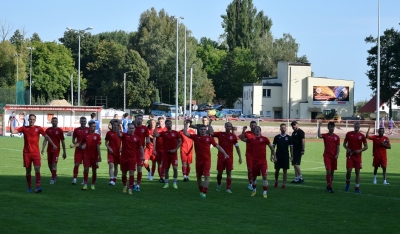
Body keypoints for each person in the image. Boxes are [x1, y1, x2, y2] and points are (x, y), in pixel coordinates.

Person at [9, 114, 57, 193]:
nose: (32, 120)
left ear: (35, 120)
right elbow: (13, 131)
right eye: (30, 119)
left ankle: (38, 187)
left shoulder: (38, 128)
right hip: (26, 153)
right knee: (28, 171)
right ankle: (29, 187)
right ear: (28, 120)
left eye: (33, 119)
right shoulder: (24, 128)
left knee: (37, 169)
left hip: (35, 153)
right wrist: (11, 122)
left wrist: (53, 144)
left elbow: (47, 137)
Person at [183, 120, 229, 199]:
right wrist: (185, 125)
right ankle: (201, 189)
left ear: (206, 130)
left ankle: (204, 192)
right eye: (201, 129)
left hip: (207, 160)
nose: (203, 131)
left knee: (207, 176)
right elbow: (185, 133)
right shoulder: (195, 137)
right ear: (199, 130)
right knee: (199, 176)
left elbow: (217, 146)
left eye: (204, 129)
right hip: (198, 160)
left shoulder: (209, 139)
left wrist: (225, 153)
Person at [241, 126, 275, 198]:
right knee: (253, 178)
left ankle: (264, 192)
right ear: (254, 132)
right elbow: (243, 139)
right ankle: (254, 190)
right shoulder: (251, 139)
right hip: (255, 162)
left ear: (260, 131)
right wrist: (243, 130)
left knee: (265, 177)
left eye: (258, 130)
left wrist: (274, 155)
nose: (257, 131)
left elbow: (271, 147)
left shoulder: (264, 139)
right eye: (255, 130)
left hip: (263, 162)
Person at [211, 121, 242, 193]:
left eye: (229, 126)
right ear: (225, 127)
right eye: (227, 126)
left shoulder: (233, 136)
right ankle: (219, 183)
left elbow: (237, 147)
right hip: (221, 157)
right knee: (219, 173)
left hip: (229, 157)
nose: (228, 127)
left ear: (231, 127)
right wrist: (209, 123)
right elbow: (211, 133)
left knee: (229, 172)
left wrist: (240, 157)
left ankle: (228, 188)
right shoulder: (220, 134)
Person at [153, 119, 182, 189]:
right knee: (166, 169)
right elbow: (155, 134)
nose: (168, 125)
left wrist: (175, 149)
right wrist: (156, 126)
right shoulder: (164, 133)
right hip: (166, 153)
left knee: (175, 168)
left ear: (171, 125)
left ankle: (175, 183)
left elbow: (180, 142)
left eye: (170, 124)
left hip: (174, 154)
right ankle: (166, 183)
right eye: (167, 124)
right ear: (165, 125)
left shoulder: (175, 133)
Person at [118, 123, 144, 195]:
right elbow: (119, 134)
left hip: (132, 158)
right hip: (123, 158)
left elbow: (141, 147)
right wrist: (118, 126)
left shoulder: (137, 138)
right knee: (124, 173)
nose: (131, 129)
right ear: (128, 128)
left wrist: (143, 155)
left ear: (134, 129)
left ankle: (130, 188)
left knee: (131, 173)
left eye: (133, 128)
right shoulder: (124, 135)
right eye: (130, 128)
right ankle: (125, 186)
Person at [343, 122, 368, 193]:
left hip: (358, 156)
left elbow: (366, 146)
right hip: (350, 155)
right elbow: (344, 144)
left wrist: (360, 150)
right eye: (355, 127)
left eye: (358, 127)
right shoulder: (348, 134)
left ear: (359, 127)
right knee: (349, 171)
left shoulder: (362, 136)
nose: (357, 128)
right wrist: (348, 149)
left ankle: (357, 187)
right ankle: (348, 182)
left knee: (357, 171)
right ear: (353, 127)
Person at [41, 117, 67, 184]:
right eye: (53, 121)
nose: (54, 122)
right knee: (49, 165)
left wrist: (64, 152)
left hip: (56, 150)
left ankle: (52, 179)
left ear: (57, 122)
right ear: (51, 122)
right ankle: (55, 175)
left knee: (54, 164)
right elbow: (45, 140)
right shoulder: (48, 130)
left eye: (55, 121)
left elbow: (63, 142)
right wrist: (43, 148)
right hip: (49, 150)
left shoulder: (60, 131)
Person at [317, 121, 340, 193]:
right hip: (327, 156)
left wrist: (337, 154)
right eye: (330, 127)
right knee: (329, 171)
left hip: (334, 157)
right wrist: (319, 126)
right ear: (328, 128)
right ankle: (329, 186)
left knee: (332, 172)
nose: (332, 128)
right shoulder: (326, 136)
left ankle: (329, 185)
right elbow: (319, 135)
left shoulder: (337, 137)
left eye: (333, 127)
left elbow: (338, 147)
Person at [78, 121, 102, 190]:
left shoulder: (97, 136)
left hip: (94, 156)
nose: (94, 128)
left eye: (95, 126)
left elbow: (98, 147)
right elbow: (81, 143)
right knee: (86, 169)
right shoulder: (86, 136)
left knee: (94, 170)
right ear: (89, 127)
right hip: (87, 156)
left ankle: (93, 184)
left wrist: (99, 156)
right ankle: (85, 184)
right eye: (92, 126)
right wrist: (78, 146)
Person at [272, 123, 293, 189]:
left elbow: (291, 147)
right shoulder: (276, 137)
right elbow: (273, 147)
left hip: (285, 155)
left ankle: (284, 184)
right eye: (282, 128)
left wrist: (292, 156)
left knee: (285, 170)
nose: (283, 129)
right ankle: (276, 181)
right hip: (278, 155)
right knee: (277, 170)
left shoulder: (289, 137)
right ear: (280, 128)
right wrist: (273, 155)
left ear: (286, 128)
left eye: (284, 128)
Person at [133, 114, 150, 191]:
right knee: (132, 168)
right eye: (138, 118)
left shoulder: (145, 128)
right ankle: (132, 183)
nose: (140, 120)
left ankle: (138, 185)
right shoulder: (132, 127)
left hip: (140, 151)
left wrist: (148, 143)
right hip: (131, 150)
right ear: (135, 119)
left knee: (139, 168)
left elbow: (147, 139)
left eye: (141, 119)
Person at [71, 116, 90, 185]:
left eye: (84, 121)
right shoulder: (76, 130)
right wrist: (76, 144)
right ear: (80, 122)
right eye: (82, 121)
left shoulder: (89, 130)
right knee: (76, 164)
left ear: (86, 122)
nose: (83, 122)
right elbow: (73, 139)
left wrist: (86, 145)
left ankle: (84, 180)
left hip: (86, 151)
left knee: (86, 166)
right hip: (78, 150)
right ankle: (74, 179)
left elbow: (90, 139)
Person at [239, 121, 257, 190]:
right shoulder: (247, 133)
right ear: (250, 126)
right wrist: (243, 130)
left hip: (256, 155)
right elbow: (242, 138)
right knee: (250, 169)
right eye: (252, 125)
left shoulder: (258, 133)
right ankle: (250, 183)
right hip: (249, 154)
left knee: (255, 170)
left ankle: (254, 181)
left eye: (254, 125)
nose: (253, 126)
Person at [105, 119, 122, 186]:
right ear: (112, 126)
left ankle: (114, 178)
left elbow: (124, 142)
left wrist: (121, 148)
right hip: (111, 152)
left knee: (116, 166)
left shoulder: (120, 133)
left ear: (118, 126)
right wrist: (109, 148)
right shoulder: (109, 133)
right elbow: (106, 143)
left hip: (117, 152)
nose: (115, 126)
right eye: (114, 125)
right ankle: (111, 179)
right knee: (111, 165)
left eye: (116, 125)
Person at [154, 116, 167, 183]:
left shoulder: (166, 129)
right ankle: (161, 177)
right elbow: (154, 138)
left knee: (163, 163)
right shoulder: (157, 129)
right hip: (158, 149)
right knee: (159, 163)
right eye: (159, 121)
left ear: (164, 121)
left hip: (165, 149)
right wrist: (154, 149)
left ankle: (163, 176)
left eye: (161, 121)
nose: (160, 122)